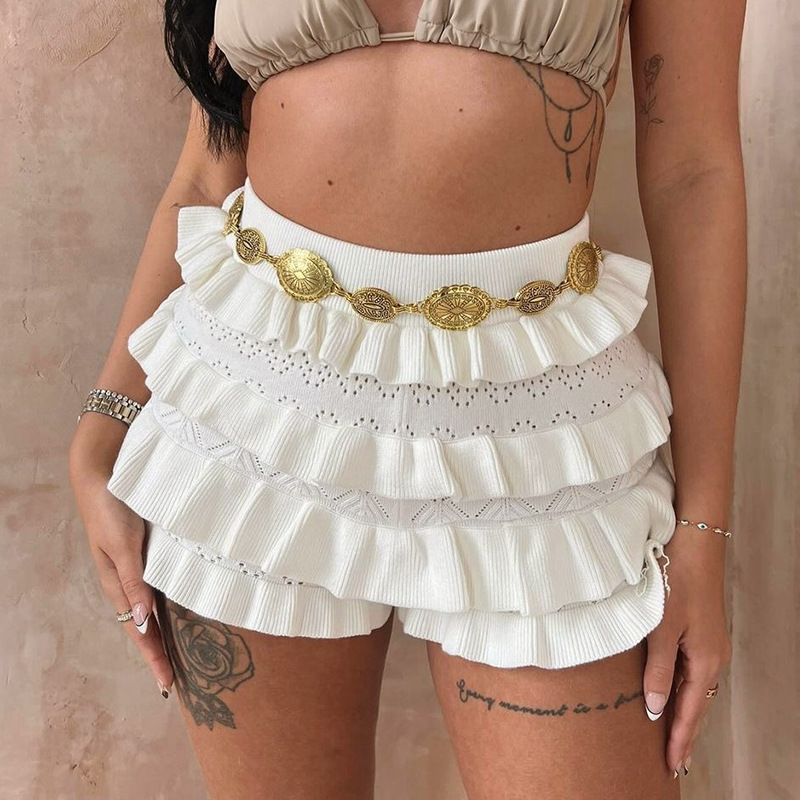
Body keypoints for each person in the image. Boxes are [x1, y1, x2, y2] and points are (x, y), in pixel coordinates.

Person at [68, 0, 747, 797]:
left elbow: (694, 172)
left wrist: (704, 528)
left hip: (538, 427)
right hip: (252, 410)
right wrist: (106, 420)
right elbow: (208, 166)